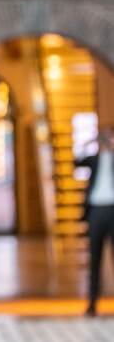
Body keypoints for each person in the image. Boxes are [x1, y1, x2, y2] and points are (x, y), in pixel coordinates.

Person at [75, 126, 114, 316]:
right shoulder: (94, 159)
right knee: (94, 259)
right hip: (96, 212)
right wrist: (87, 144)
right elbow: (76, 162)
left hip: (113, 210)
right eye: (104, 139)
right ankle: (92, 305)